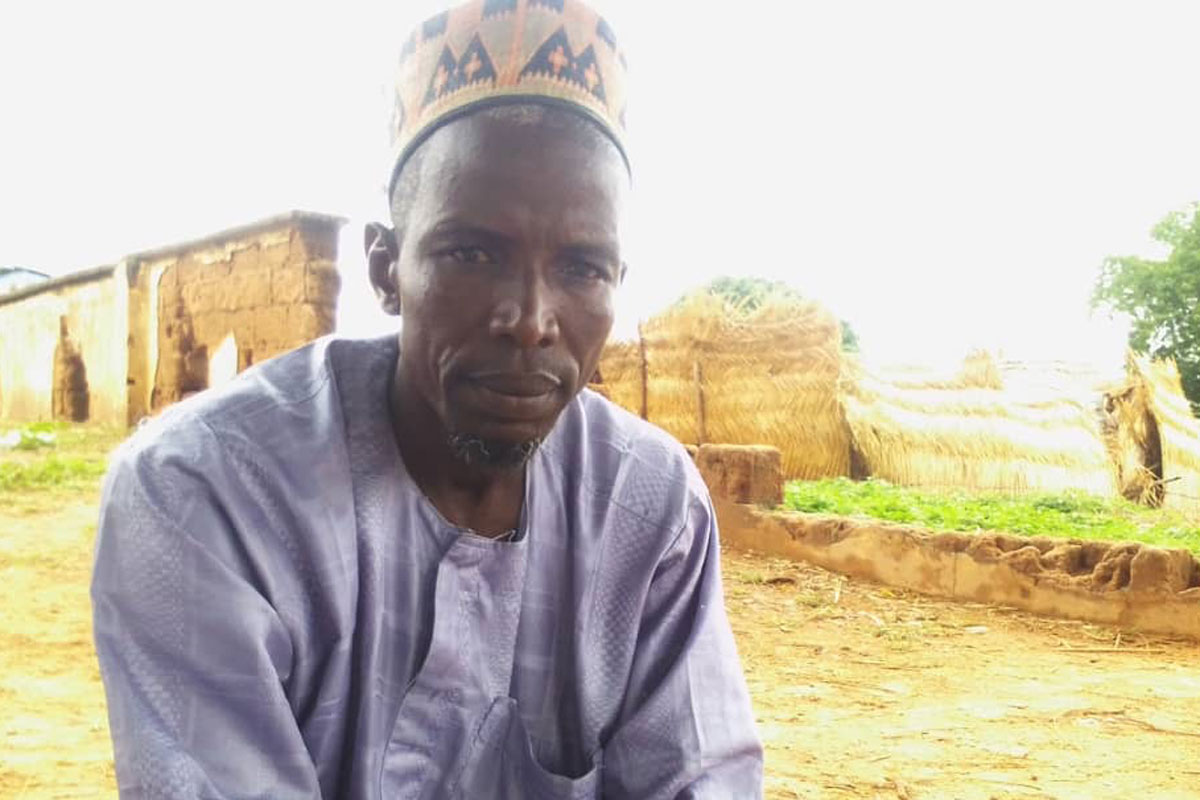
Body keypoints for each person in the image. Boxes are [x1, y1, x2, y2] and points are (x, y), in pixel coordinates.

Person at [91, 1, 763, 797]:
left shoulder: (648, 508)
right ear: (385, 269)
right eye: (473, 252)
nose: (530, 321)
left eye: (583, 267)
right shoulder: (209, 495)